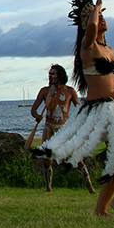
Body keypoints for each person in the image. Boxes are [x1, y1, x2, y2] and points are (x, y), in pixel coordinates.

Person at [35, 0, 114, 218]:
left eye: (101, 14)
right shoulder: (88, 45)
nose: (99, 17)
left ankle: (106, 206)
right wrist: (96, 8)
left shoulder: (109, 50)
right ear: (85, 23)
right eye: (93, 15)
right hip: (100, 111)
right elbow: (91, 26)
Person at [30, 64, 96, 193]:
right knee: (46, 159)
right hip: (49, 127)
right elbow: (33, 109)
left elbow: (79, 108)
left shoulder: (70, 91)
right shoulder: (44, 91)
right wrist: (37, 116)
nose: (51, 76)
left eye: (53, 74)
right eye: (50, 74)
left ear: (60, 75)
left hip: (64, 128)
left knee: (76, 158)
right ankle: (48, 188)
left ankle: (90, 188)